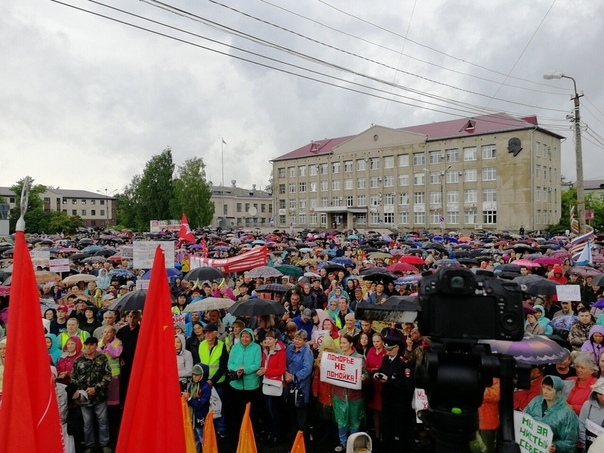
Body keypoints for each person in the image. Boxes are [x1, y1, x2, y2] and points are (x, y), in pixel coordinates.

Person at [70, 336, 112, 453]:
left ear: (95, 346)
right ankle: (89, 445)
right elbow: (73, 377)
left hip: (100, 396)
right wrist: (84, 389)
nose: (88, 347)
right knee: (87, 423)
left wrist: (96, 388)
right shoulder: (79, 360)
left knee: (102, 421)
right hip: (84, 397)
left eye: (91, 345)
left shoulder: (102, 358)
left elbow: (108, 375)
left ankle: (104, 444)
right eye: (86, 345)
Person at [375, 336, 414, 453]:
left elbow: (408, 385)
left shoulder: (404, 363)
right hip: (387, 398)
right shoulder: (385, 359)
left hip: (399, 401)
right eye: (386, 348)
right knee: (386, 425)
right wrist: (378, 375)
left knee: (399, 428)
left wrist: (390, 380)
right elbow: (383, 370)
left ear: (397, 348)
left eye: (390, 349)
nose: (387, 351)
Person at [524, 375, 579, 453]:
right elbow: (524, 419)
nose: (545, 392)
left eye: (549, 389)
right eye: (543, 387)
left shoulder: (567, 414)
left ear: (559, 393)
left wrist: (556, 446)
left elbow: (570, 442)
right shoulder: (536, 402)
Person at [332, 333, 366, 452]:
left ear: (351, 344)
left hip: (354, 396)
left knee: (354, 421)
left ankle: (353, 445)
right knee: (341, 420)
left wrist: (364, 377)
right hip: (340, 394)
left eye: (344, 343)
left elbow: (366, 374)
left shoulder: (359, 358)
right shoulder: (337, 356)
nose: (342, 345)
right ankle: (343, 443)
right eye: (341, 343)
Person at [227, 327, 262, 431]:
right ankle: (238, 431)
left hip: (251, 385)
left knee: (252, 411)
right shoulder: (235, 347)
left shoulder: (256, 348)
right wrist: (237, 369)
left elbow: (257, 364)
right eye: (243, 336)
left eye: (247, 336)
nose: (244, 339)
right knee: (237, 410)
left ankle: (251, 431)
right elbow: (230, 363)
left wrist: (244, 370)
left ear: (251, 337)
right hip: (236, 385)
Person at [197, 323, 228, 437]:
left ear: (215, 333)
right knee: (205, 406)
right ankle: (208, 428)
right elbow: (199, 363)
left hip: (218, 382)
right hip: (204, 382)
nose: (207, 334)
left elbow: (223, 367)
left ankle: (221, 428)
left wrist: (212, 380)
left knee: (218, 406)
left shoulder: (222, 345)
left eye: (210, 332)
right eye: (206, 332)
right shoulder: (201, 345)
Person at [258, 330, 286, 444]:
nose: (268, 341)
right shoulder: (265, 351)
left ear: (275, 340)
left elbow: (281, 369)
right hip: (266, 382)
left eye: (270, 339)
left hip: (276, 382)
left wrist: (266, 371)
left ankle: (277, 434)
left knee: (274, 411)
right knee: (268, 410)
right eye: (267, 339)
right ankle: (271, 432)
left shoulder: (281, 352)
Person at [285, 330, 314, 438]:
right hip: (288, 384)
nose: (296, 341)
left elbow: (307, 369)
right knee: (291, 409)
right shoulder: (289, 348)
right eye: (295, 339)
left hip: (301, 387)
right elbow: (284, 361)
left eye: (299, 339)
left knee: (301, 412)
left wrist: (293, 377)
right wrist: (285, 372)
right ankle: (293, 432)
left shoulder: (307, 352)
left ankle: (302, 435)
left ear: (305, 341)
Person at [183, 363, 212, 452]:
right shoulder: (191, 385)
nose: (194, 377)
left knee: (202, 438)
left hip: (200, 417)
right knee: (194, 438)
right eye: (193, 374)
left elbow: (200, 404)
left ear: (202, 375)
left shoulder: (206, 388)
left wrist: (189, 398)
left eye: (197, 375)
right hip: (192, 417)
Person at [365, 333, 387, 442]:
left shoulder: (386, 352)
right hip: (373, 384)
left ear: (382, 341)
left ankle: (384, 434)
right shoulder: (371, 351)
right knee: (374, 411)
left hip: (383, 385)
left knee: (382, 411)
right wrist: (371, 370)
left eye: (378, 341)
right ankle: (377, 434)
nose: (376, 344)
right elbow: (366, 365)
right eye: (374, 342)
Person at [116, 310, 140, 405]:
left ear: (138, 319)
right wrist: (120, 358)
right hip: (124, 361)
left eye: (134, 317)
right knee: (124, 383)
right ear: (127, 317)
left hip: (137, 361)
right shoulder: (122, 331)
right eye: (130, 316)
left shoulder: (141, 330)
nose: (132, 319)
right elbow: (117, 346)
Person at [579, 377, 604, 452]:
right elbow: (581, 425)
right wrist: (585, 445)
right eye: (600, 394)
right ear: (595, 393)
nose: (603, 398)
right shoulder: (587, 405)